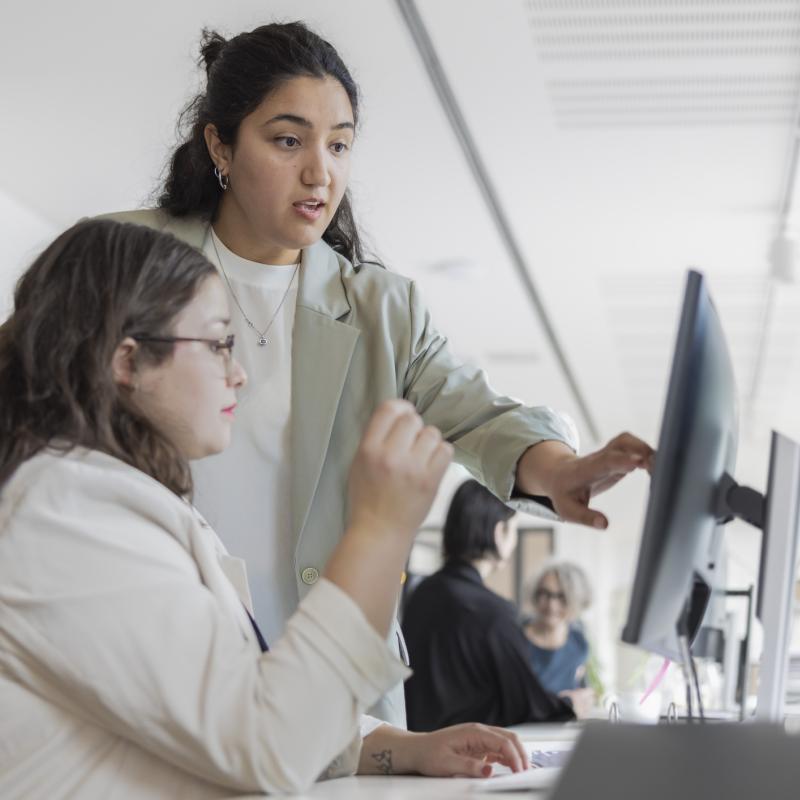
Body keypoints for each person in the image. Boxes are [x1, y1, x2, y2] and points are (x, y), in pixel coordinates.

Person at [101, 20, 654, 725]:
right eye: (287, 140)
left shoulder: (380, 309)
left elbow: (478, 414)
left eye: (339, 145)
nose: (319, 172)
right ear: (220, 144)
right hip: (159, 667)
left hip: (332, 691)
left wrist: (560, 471)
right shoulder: (125, 261)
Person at [0, 220, 532, 798]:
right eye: (218, 343)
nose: (238, 372)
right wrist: (377, 529)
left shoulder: (107, 501)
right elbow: (266, 745)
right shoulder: (67, 512)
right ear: (127, 362)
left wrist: (396, 747)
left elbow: (222, 707)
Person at [402, 480, 593, 732]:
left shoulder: (422, 594)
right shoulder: (492, 612)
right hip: (464, 755)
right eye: (513, 530)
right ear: (499, 531)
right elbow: (523, 704)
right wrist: (570, 704)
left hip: (414, 747)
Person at [525, 562, 595, 697]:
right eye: (545, 594)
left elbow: (580, 689)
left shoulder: (579, 643)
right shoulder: (513, 639)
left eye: (562, 597)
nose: (552, 605)